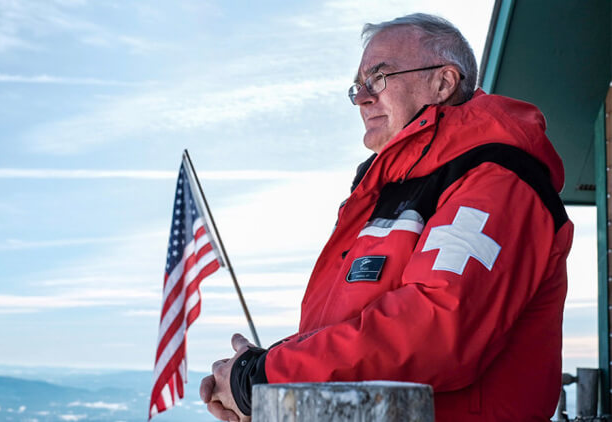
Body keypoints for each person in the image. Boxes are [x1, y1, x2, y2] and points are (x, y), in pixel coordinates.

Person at [200, 13, 572, 422]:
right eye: (358, 85)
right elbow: (348, 332)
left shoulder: (496, 179)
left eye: (378, 78)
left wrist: (265, 377)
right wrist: (264, 377)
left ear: (444, 83)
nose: (361, 97)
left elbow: (436, 328)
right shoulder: (388, 191)